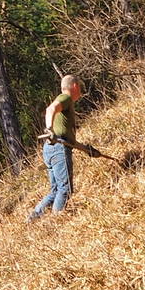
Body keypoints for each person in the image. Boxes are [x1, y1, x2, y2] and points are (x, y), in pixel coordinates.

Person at [29, 74, 92, 219]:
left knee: (55, 190)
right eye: (80, 87)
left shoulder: (65, 108)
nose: (81, 91)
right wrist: (49, 129)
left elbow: (67, 140)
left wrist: (87, 149)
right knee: (65, 189)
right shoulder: (65, 98)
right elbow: (50, 110)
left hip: (51, 148)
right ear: (75, 86)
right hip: (58, 149)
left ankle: (33, 218)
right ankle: (56, 221)